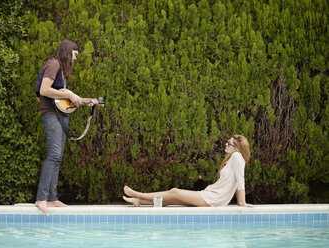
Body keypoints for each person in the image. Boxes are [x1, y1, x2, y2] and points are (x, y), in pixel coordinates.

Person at [34, 39, 98, 216]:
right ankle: (41, 198)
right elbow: (44, 91)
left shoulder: (61, 70)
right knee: (54, 154)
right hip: (51, 115)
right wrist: (68, 92)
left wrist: (84, 101)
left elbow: (61, 99)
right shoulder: (53, 64)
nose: (75, 59)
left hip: (60, 115)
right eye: (74, 55)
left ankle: (52, 198)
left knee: (58, 156)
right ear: (67, 52)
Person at [123, 135, 253, 207]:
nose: (225, 144)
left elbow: (240, 180)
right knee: (173, 199)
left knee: (174, 192)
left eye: (229, 144)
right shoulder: (232, 158)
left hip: (214, 198)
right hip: (212, 195)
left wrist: (242, 202)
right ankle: (140, 201)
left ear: (237, 148)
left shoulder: (237, 157)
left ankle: (138, 195)